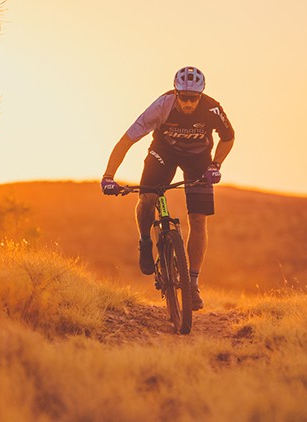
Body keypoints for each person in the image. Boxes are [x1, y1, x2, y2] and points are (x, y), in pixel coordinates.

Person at [101, 66, 235, 310]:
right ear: (175, 93)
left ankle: (192, 284)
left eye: (193, 98)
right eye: (183, 97)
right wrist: (109, 176)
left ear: (201, 95)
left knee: (198, 219)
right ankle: (145, 241)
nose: (187, 103)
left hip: (198, 159)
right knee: (148, 197)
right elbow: (127, 140)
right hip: (163, 154)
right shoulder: (162, 106)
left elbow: (228, 137)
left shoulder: (213, 108)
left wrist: (216, 165)